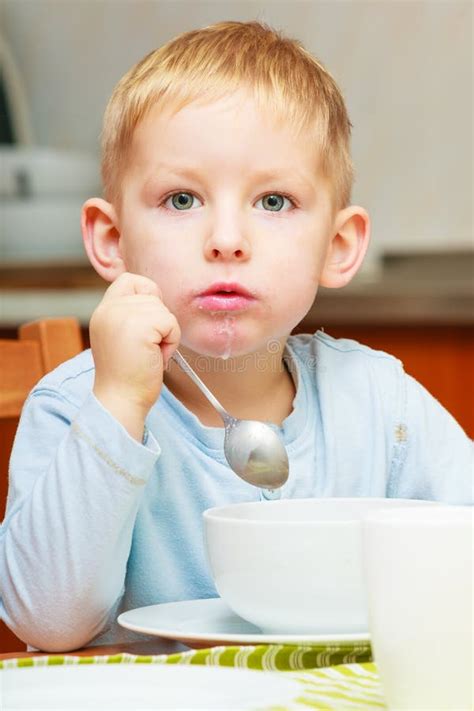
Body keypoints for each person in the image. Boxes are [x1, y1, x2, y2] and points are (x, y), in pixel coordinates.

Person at [1, 21, 472, 653]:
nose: (227, 239)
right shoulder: (73, 406)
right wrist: (117, 404)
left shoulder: (379, 403)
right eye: (181, 199)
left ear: (337, 247)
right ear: (112, 241)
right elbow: (47, 622)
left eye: (273, 202)